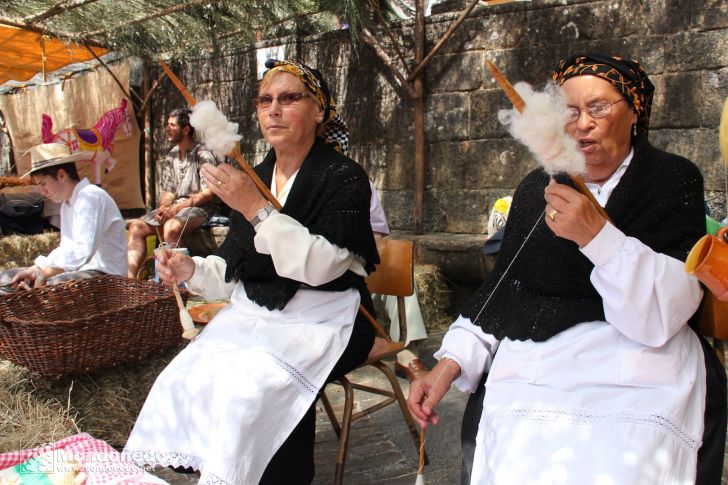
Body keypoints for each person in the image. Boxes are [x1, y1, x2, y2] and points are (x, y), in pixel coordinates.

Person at [408, 53, 726, 484]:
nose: (582, 123)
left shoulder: (672, 179)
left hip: (641, 366)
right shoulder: (537, 187)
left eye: (598, 107)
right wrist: (448, 366)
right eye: (569, 111)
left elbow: (667, 313)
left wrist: (598, 236)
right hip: (540, 364)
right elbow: (504, 292)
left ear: (635, 111)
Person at [124, 59, 379, 485]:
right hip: (258, 313)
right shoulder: (256, 175)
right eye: (265, 101)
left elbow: (320, 267)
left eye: (288, 98)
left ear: (320, 111)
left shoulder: (344, 176)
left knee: (257, 391)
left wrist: (254, 208)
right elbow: (236, 268)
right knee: (184, 378)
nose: (273, 110)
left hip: (326, 316)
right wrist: (191, 268)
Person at [0, 143, 127, 292]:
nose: (42, 191)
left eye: (43, 184)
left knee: (57, 284)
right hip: (80, 272)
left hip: (106, 275)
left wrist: (43, 274)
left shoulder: (89, 197)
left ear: (61, 175)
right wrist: (37, 268)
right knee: (5, 278)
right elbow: (67, 249)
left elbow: (82, 252)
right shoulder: (67, 204)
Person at [126, 108, 220, 278]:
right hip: (177, 208)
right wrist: (164, 209)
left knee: (171, 228)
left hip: (201, 208)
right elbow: (169, 192)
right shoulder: (172, 156)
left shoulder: (203, 154)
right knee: (136, 227)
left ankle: (181, 281)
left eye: (172, 125)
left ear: (185, 130)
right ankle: (130, 282)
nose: (167, 129)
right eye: (167, 125)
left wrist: (176, 210)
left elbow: (208, 193)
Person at [368, 181, 429, 380]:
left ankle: (407, 351)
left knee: (395, 270)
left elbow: (376, 240)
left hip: (354, 275)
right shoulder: (279, 186)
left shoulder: (356, 182)